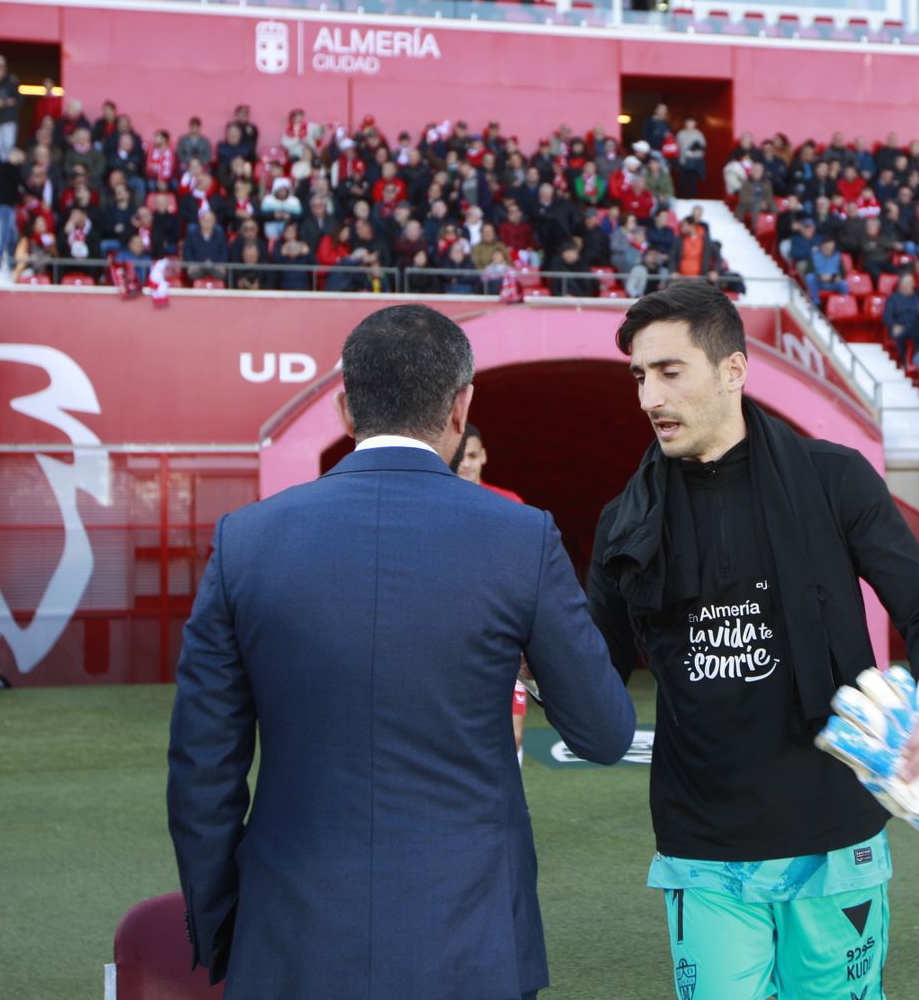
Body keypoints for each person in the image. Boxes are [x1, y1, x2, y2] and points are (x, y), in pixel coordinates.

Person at [167, 305, 636, 998]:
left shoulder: (247, 541)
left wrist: (225, 926)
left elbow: (202, 772)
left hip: (291, 935)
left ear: (345, 407)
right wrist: (533, 666)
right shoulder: (521, 537)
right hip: (472, 939)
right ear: (461, 407)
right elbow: (603, 731)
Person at [586, 281, 919, 1000]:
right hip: (704, 843)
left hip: (836, 832)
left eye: (669, 372)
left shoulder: (835, 480)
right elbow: (592, 674)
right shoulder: (624, 521)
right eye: (639, 376)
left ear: (733, 369)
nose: (648, 398)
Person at [456, 423, 533, 763]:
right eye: (460, 456)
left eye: (472, 455)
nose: (466, 464)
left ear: (484, 456)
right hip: (450, 642)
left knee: (511, 739)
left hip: (501, 637)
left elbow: (524, 576)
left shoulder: (509, 504)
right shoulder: (430, 504)